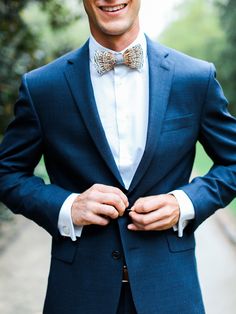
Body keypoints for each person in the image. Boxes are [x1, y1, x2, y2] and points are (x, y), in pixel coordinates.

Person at [0, 0, 236, 313]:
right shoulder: (43, 87)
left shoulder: (194, 78)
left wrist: (184, 203)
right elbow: (7, 172)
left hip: (171, 292)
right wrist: (68, 207)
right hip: (78, 294)